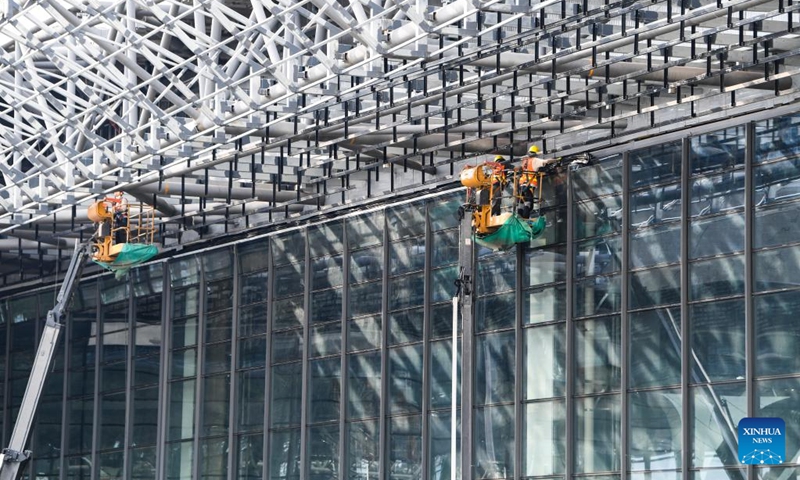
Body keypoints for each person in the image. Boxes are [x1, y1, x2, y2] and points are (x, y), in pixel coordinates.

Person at [518, 145, 556, 218]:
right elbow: (546, 161)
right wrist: (555, 160)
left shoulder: (525, 161)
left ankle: (519, 217)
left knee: (521, 202)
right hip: (529, 185)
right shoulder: (534, 160)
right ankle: (525, 219)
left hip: (522, 185)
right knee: (529, 204)